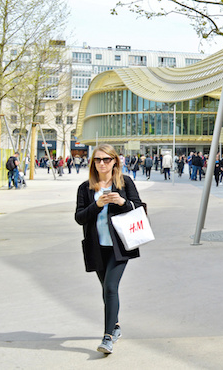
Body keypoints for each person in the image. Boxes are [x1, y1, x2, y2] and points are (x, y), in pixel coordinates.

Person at [75, 144, 146, 355]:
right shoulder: (85, 188)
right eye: (98, 160)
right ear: (93, 163)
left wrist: (122, 201)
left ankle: (107, 338)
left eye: (106, 159)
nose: (102, 163)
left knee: (110, 287)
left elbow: (139, 208)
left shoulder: (125, 183)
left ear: (115, 161)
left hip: (119, 246)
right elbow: (79, 218)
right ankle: (115, 326)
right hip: (96, 247)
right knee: (106, 290)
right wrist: (96, 205)